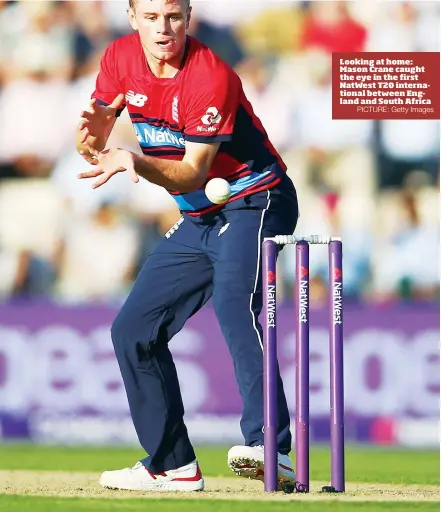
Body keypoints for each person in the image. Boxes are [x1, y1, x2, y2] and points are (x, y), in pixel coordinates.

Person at [76, 0, 299, 493]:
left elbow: (192, 171)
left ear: (189, 17)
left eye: (174, 16)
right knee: (132, 329)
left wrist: (134, 159)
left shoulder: (209, 74)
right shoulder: (118, 57)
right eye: (152, 17)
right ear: (132, 17)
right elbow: (94, 134)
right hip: (198, 216)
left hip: (256, 199)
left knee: (235, 305)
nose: (164, 28)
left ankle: (274, 449)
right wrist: (90, 141)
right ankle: (171, 463)